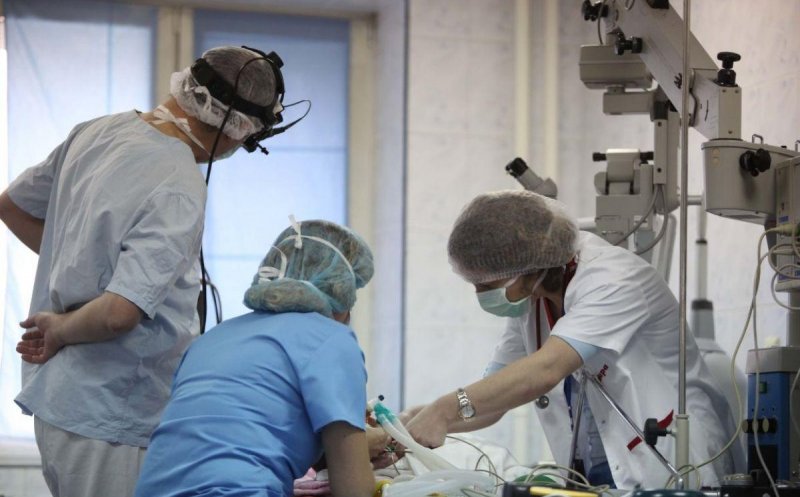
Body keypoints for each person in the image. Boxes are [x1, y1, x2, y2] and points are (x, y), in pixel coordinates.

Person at [1, 46, 284, 497]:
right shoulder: (180, 184)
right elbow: (119, 314)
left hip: (60, 406)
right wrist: (61, 329)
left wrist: (83, 264)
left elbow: (11, 206)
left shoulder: (98, 131)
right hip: (112, 414)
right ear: (235, 127)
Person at [405, 190, 743, 489]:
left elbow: (545, 369)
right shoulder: (532, 304)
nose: (479, 293)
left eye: (487, 282)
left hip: (670, 463)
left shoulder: (613, 278)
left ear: (527, 265)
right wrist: (410, 425)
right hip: (597, 468)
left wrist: (445, 410)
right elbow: (495, 396)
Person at [134, 219, 386, 497]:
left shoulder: (212, 340)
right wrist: (359, 454)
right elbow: (353, 489)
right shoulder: (332, 338)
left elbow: (237, 435)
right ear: (341, 292)